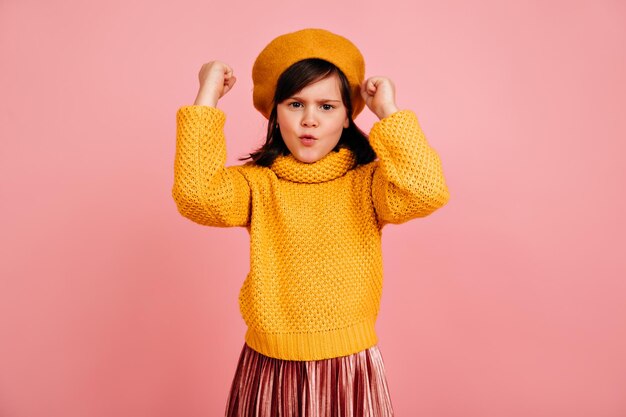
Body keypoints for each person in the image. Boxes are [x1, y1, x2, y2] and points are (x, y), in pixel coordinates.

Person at [172, 28, 450, 417]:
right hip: (269, 365)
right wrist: (207, 97)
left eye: (327, 106)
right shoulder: (258, 183)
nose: (309, 121)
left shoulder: (367, 182)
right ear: (275, 112)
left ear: (348, 117)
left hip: (348, 367)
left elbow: (425, 191)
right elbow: (195, 196)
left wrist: (388, 111)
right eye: (295, 104)